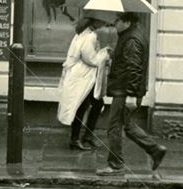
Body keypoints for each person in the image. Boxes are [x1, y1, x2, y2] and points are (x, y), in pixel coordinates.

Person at [97, 13, 167, 176]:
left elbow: (134, 68)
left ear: (127, 22)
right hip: (126, 89)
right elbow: (128, 62)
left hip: (124, 91)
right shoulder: (131, 35)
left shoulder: (132, 40)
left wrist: (130, 95)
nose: (114, 24)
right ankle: (155, 150)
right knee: (128, 127)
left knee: (114, 127)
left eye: (117, 21)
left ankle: (115, 165)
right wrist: (114, 54)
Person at [57, 17, 111, 150]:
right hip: (84, 76)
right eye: (101, 21)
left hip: (82, 75)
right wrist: (105, 54)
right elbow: (90, 59)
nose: (104, 23)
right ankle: (75, 139)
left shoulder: (82, 33)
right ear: (95, 21)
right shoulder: (90, 36)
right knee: (82, 105)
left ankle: (86, 135)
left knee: (96, 103)